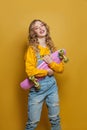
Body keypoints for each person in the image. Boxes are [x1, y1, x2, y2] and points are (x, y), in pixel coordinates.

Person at [24, 19, 64, 130]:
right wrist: (47, 71)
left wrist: (51, 63)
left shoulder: (52, 49)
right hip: (37, 88)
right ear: (33, 33)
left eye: (41, 25)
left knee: (55, 118)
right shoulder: (32, 50)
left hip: (52, 87)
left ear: (45, 27)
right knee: (33, 122)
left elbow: (61, 68)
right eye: (36, 28)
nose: (40, 28)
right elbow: (30, 71)